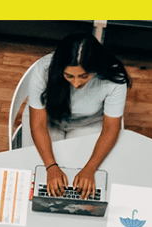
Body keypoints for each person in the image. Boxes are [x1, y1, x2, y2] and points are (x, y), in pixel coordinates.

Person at [28, 33, 132, 199]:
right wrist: (51, 166)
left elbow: (111, 128)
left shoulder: (114, 78)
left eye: (84, 76)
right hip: (51, 122)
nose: (76, 84)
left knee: (89, 176)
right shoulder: (43, 70)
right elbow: (38, 124)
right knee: (37, 172)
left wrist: (90, 168)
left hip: (89, 124)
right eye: (69, 76)